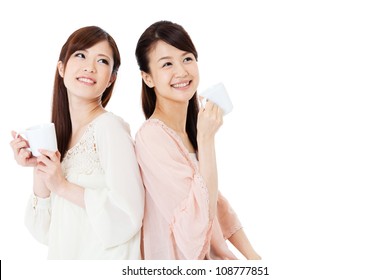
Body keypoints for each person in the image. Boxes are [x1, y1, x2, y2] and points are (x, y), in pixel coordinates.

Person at [9, 26, 144, 259]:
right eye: (81, 55)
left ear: (111, 78)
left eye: (102, 61)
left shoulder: (109, 128)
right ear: (61, 68)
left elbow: (128, 214)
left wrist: (62, 186)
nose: (89, 67)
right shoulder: (62, 138)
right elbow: (45, 231)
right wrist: (40, 169)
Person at [134, 20, 261, 260]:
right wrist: (206, 139)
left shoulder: (189, 129)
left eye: (187, 59)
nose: (181, 71)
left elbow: (216, 203)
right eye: (167, 64)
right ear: (148, 78)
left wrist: (253, 256)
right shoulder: (151, 137)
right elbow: (193, 227)